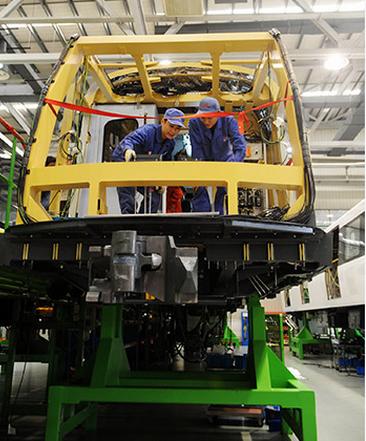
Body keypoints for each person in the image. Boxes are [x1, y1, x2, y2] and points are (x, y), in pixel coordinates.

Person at [112, 108, 185, 214]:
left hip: (143, 168)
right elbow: (129, 140)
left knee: (155, 194)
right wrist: (127, 150)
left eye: (177, 128)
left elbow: (166, 163)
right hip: (125, 162)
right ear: (163, 121)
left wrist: (162, 181)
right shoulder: (148, 131)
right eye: (171, 126)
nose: (173, 131)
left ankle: (143, 222)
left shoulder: (170, 144)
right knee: (128, 198)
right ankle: (128, 222)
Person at [189, 97, 247, 214]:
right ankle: (202, 219)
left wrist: (234, 164)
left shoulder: (228, 120)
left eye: (210, 118)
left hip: (225, 161)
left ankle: (222, 216)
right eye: (203, 118)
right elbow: (196, 148)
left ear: (218, 114)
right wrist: (199, 169)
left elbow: (240, 147)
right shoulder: (194, 122)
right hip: (203, 160)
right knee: (199, 189)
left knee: (224, 191)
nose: (206, 122)